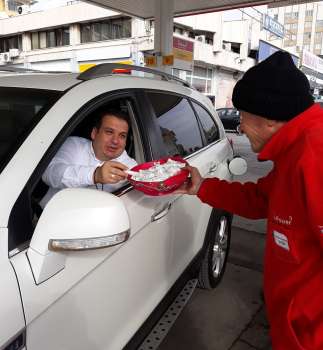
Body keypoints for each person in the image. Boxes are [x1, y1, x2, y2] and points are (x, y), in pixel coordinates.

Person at [177, 51, 323, 350]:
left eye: (242, 116)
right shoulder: (294, 152)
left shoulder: (315, 156)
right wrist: (202, 186)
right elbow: (261, 199)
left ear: (269, 118)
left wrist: (304, 327)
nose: (239, 127)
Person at [40, 109, 137, 208]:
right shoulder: (73, 145)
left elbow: (145, 181)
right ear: (94, 133)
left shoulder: (130, 166)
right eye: (109, 132)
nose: (115, 141)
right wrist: (95, 174)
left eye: (122, 136)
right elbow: (49, 173)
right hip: (53, 216)